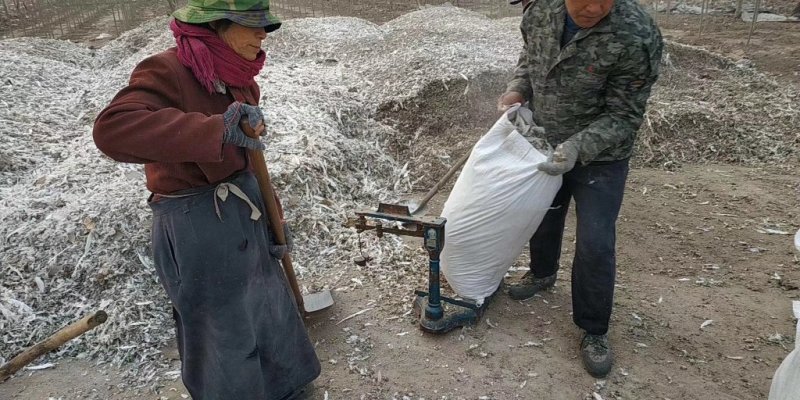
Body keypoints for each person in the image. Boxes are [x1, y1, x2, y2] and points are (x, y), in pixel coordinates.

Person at [92, 1, 321, 398]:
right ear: (215, 27)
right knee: (221, 327)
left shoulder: (240, 76)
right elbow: (112, 130)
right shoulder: (167, 69)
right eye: (251, 26)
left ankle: (286, 386)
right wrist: (214, 130)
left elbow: (252, 162)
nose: (262, 35)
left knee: (266, 307)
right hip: (195, 220)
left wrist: (274, 220)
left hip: (244, 208)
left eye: (264, 26)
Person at [500, 0, 663, 378]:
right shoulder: (539, 12)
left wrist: (576, 148)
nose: (595, 6)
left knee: (596, 242)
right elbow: (530, 58)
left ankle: (593, 329)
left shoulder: (636, 34)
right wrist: (517, 90)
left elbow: (624, 116)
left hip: (601, 159)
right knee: (542, 214)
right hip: (545, 142)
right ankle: (542, 274)